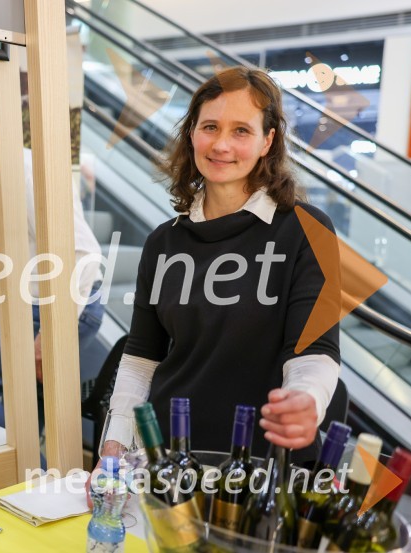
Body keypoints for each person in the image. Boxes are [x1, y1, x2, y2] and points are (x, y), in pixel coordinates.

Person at [99, 67, 340, 467]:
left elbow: (313, 352)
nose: (221, 144)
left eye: (241, 131)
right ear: (192, 133)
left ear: (268, 141)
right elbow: (142, 358)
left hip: (262, 461)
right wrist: (114, 446)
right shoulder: (164, 241)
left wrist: (306, 400)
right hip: (166, 457)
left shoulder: (307, 230)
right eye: (210, 126)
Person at [0, 96, 105, 427]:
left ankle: (40, 472)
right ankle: (38, 473)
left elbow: (84, 253)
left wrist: (51, 330)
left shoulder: (29, 172)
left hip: (54, 306)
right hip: (24, 309)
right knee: (27, 416)